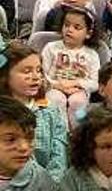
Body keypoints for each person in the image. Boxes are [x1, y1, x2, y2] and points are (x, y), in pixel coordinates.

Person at [0, 42, 68, 181]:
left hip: (45, 186)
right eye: (26, 71)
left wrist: (50, 183)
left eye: (38, 70)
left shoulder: (51, 111)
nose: (36, 76)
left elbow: (59, 154)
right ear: (5, 76)